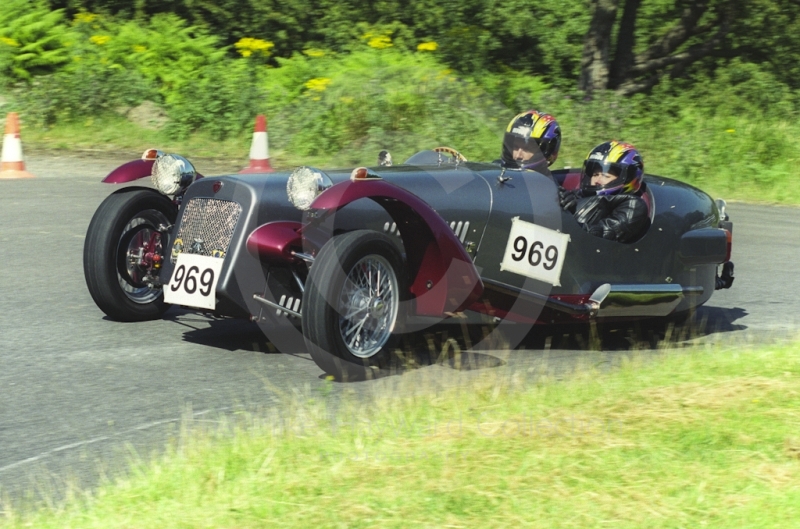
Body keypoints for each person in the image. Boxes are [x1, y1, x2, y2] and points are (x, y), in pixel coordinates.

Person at [559, 141, 650, 243]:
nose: (597, 180)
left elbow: (602, 233)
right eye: (595, 174)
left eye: (606, 175)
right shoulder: (578, 195)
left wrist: (568, 216)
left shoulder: (633, 206)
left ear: (628, 178)